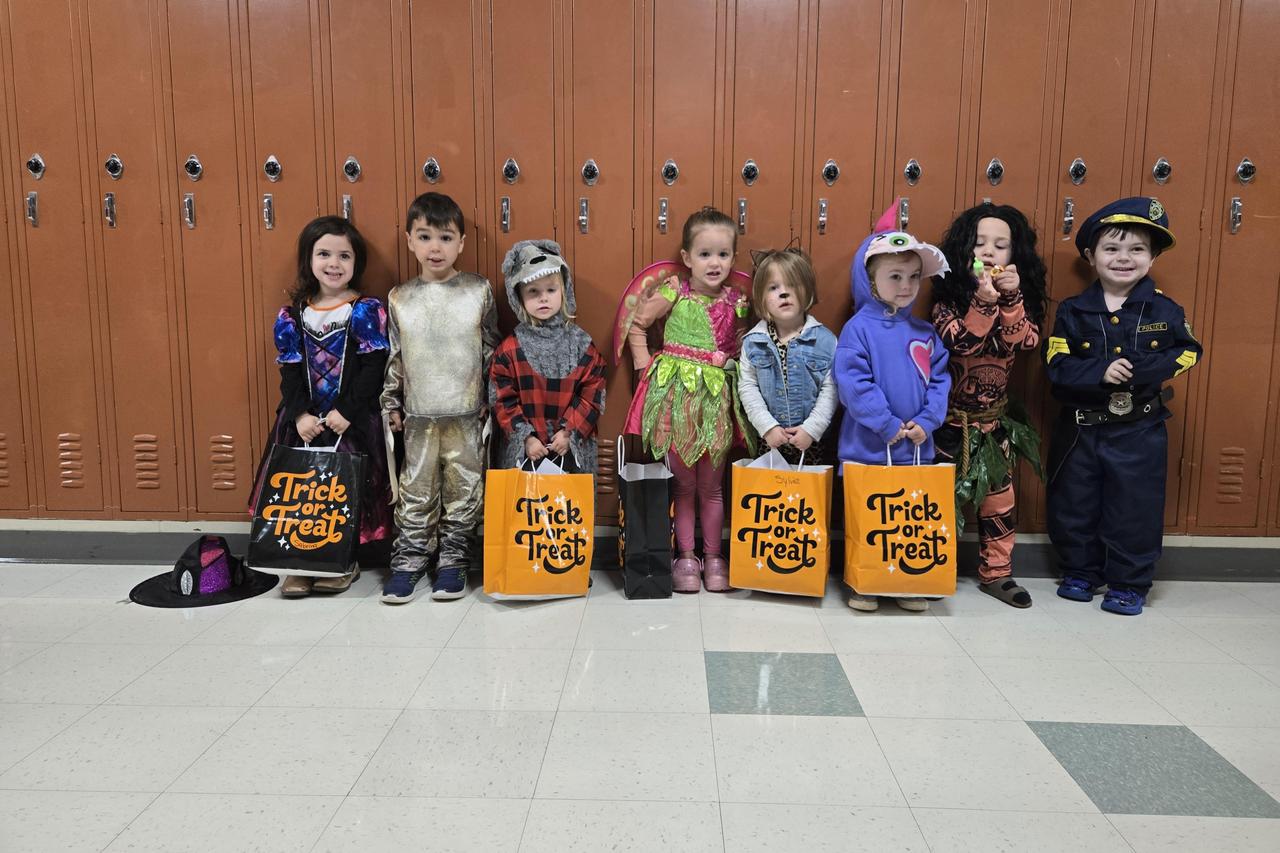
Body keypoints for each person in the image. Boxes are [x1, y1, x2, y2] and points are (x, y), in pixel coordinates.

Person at [1045, 197, 1201, 616]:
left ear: (1152, 258)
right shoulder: (1073, 312)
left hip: (1139, 431)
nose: (1123, 258)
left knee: (1135, 508)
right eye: (1111, 249)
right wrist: (1099, 371)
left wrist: (1134, 371)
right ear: (1090, 256)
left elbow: (1188, 354)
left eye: (1136, 250)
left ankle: (1129, 584)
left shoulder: (1165, 311)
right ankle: (1080, 571)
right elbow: (1057, 367)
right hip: (1081, 429)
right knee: (1074, 502)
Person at [251, 216, 392, 597]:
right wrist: (299, 415)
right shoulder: (292, 316)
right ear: (309, 260)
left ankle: (341, 560)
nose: (334, 263)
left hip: (351, 419)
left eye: (344, 256)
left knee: (343, 491)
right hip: (305, 420)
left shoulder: (364, 311)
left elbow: (373, 367)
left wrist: (347, 411)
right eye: (324, 254)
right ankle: (299, 562)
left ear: (355, 263)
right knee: (304, 490)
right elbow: (290, 372)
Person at [622, 207, 756, 592]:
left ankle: (714, 557)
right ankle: (684, 557)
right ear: (686, 258)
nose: (714, 263)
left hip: (715, 401)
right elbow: (640, 323)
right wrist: (643, 361)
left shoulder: (738, 301)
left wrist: (732, 359)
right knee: (682, 486)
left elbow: (749, 344)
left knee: (712, 487)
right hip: (675, 395)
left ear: (733, 257)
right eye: (704, 254)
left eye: (723, 254)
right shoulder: (674, 290)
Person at [380, 192, 500, 604]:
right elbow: (395, 355)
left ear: (462, 243)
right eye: (425, 236)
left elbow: (490, 350)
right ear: (409, 240)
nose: (436, 247)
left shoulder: (478, 290)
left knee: (464, 487)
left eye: (446, 238)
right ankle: (410, 558)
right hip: (418, 413)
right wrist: (391, 401)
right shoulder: (399, 298)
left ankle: (453, 559)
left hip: (467, 412)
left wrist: (491, 397)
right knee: (416, 486)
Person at [931, 203, 1046, 608]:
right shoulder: (946, 303)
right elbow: (961, 342)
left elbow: (1025, 341)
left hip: (993, 424)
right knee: (939, 498)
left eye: (1000, 245)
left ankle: (997, 573)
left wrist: (1011, 298)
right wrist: (982, 301)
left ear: (1016, 256)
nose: (989, 252)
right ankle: (930, 566)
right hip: (948, 423)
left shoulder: (1018, 302)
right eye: (979, 243)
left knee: (999, 501)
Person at [834, 218, 951, 612]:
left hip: (915, 448)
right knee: (869, 516)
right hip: (868, 446)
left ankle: (905, 579)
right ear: (869, 281)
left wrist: (928, 420)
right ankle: (865, 582)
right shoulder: (857, 330)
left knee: (907, 518)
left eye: (914, 277)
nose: (906, 286)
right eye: (895, 276)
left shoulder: (925, 332)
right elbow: (853, 383)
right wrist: (885, 423)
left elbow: (939, 381)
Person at [489, 239, 606, 473]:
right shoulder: (509, 350)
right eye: (533, 291)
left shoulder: (581, 344)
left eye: (551, 290)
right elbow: (502, 399)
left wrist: (569, 431)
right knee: (523, 507)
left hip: (569, 449)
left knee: (569, 506)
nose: (543, 298)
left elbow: (593, 393)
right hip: (526, 452)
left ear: (564, 291)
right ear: (518, 297)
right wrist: (526, 437)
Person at [738, 247, 838, 465]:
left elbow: (831, 389)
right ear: (761, 298)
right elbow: (748, 388)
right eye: (773, 288)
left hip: (811, 442)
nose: (784, 293)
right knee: (771, 497)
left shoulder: (825, 341)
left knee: (808, 499)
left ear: (808, 290)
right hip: (769, 440)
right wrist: (768, 427)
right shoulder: (753, 342)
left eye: (792, 285)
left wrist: (811, 429)